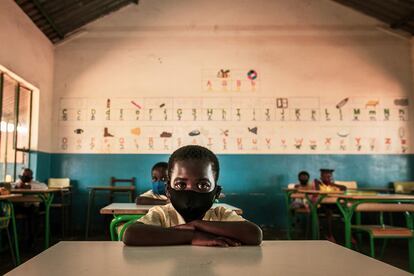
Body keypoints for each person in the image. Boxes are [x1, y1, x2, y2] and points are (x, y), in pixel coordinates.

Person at [123, 145, 262, 247]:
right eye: (180, 185)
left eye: (202, 185)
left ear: (216, 193)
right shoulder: (162, 214)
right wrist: (192, 236)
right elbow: (131, 234)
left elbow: (254, 234)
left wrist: (196, 224)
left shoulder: (220, 214)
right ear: (168, 191)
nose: (189, 192)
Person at [312, 169, 346, 243]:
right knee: (329, 212)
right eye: (325, 176)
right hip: (319, 205)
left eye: (329, 177)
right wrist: (326, 183)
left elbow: (344, 188)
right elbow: (317, 190)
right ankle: (329, 235)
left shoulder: (331, 185)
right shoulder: (317, 182)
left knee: (344, 210)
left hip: (331, 204)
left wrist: (331, 184)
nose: (328, 178)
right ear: (321, 177)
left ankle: (347, 235)